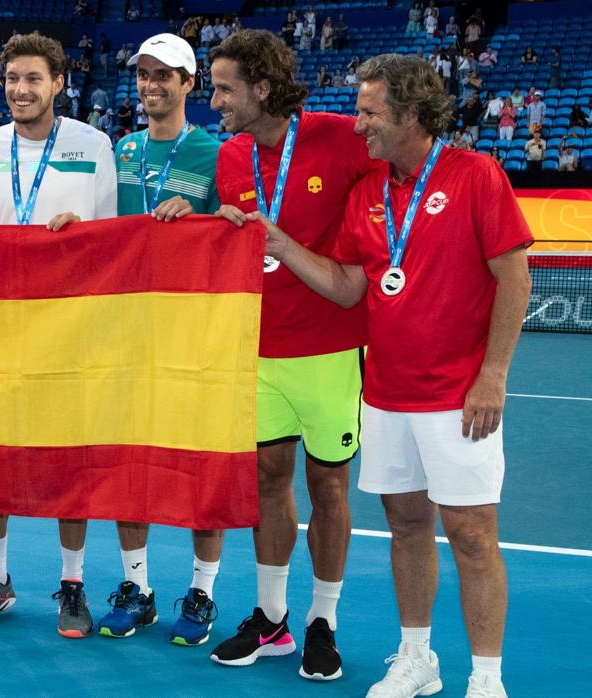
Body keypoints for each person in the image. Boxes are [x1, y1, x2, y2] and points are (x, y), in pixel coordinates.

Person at [260, 53, 530, 698]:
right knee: (407, 525)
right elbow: (351, 287)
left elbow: (514, 277)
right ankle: (417, 658)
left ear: (411, 113)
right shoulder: (368, 193)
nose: (359, 126)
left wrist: (493, 376)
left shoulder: (476, 175)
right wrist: (283, 245)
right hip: (383, 395)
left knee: (470, 534)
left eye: (370, 112)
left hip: (459, 397)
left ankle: (487, 678)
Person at [0, 33, 117, 638]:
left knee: (70, 458)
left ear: (59, 83)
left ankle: (72, 584)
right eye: (12, 78)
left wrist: (84, 230)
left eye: (33, 78)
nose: (21, 89)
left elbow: (114, 241)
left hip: (70, 329)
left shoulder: (94, 145)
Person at [206, 29, 374, 682]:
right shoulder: (230, 156)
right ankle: (271, 615)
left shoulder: (342, 138)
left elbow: (399, 185)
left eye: (224, 88)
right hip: (258, 347)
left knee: (328, 486)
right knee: (266, 480)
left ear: (264, 87)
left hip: (331, 345)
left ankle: (322, 622)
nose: (215, 100)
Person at [98, 32, 224, 646]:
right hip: (127, 334)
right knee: (129, 465)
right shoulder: (119, 150)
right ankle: (137, 588)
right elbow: (101, 233)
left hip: (191, 335)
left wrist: (200, 217)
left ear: (189, 85)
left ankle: (202, 591)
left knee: (198, 466)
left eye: (164, 75)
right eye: (143, 75)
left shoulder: (217, 155)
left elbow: (238, 232)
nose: (151, 85)